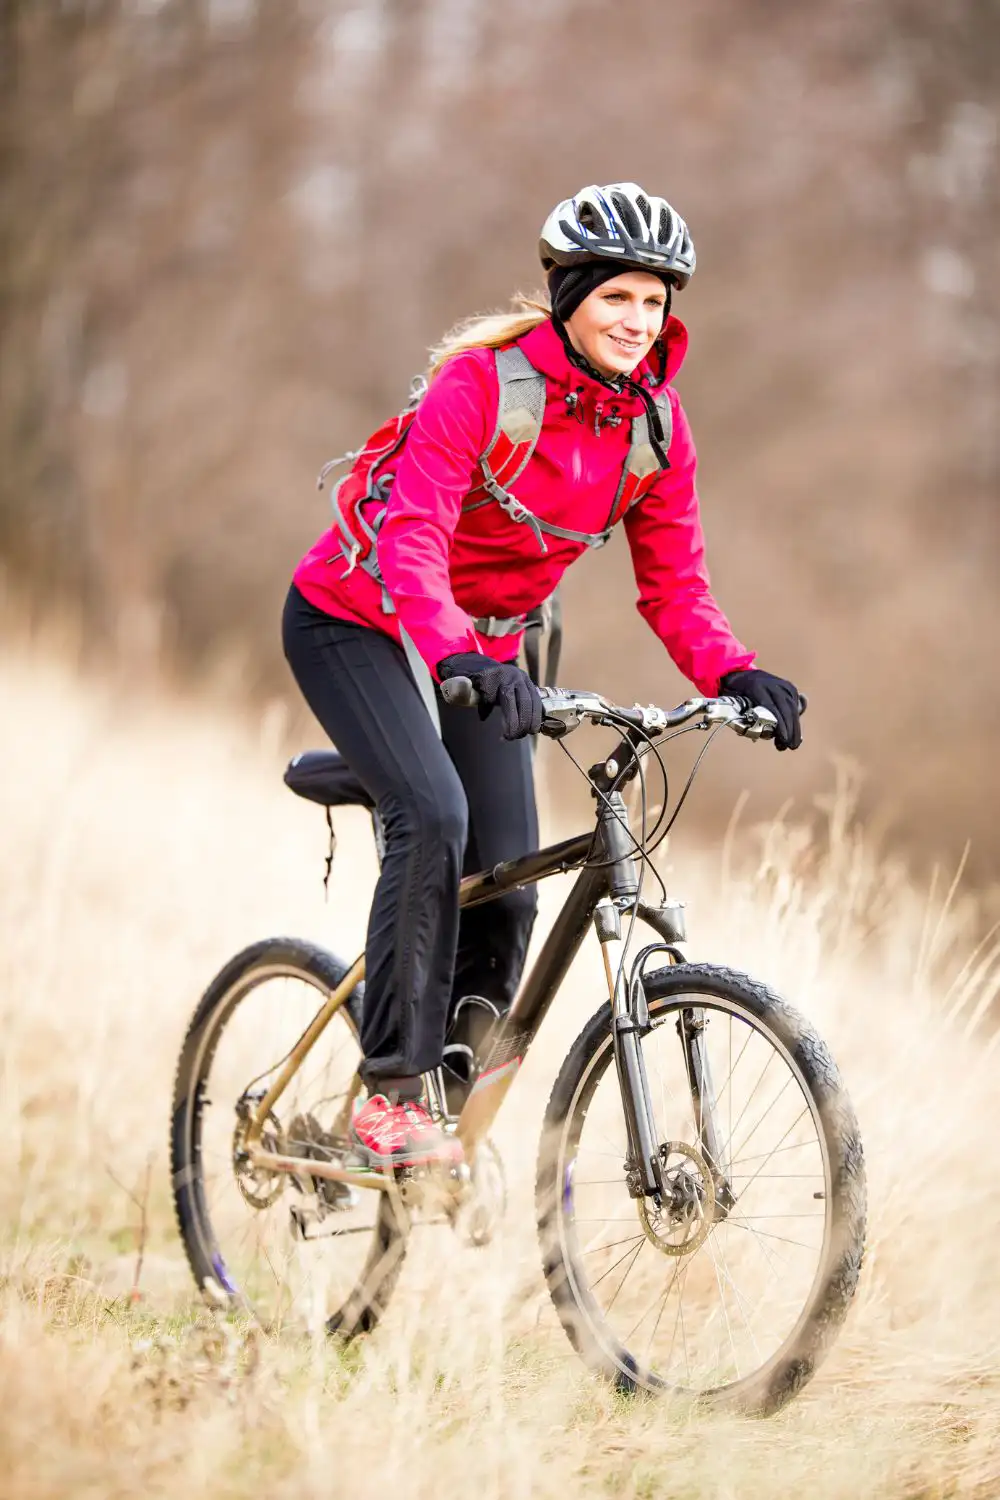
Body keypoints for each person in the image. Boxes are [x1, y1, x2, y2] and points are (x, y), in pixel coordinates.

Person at [283, 181, 803, 1170]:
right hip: (357, 619)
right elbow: (412, 537)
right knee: (432, 815)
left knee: (510, 889)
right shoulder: (480, 387)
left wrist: (735, 670)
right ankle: (391, 1095)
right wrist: (459, 656)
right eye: (617, 298)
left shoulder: (654, 425)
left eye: (654, 303)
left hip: (485, 644)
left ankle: (446, 1101)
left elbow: (674, 585)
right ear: (567, 294)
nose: (638, 322)